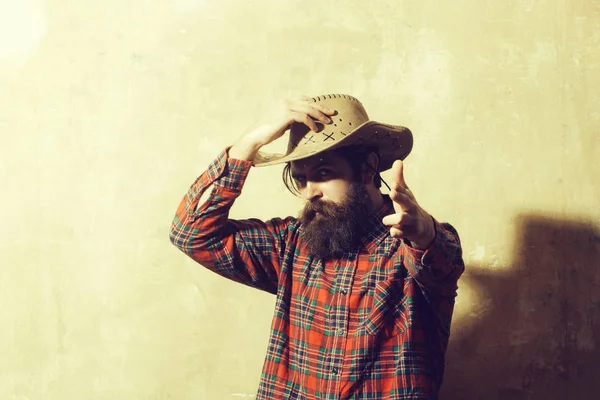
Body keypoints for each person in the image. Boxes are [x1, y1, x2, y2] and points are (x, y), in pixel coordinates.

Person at [169, 94, 465, 399]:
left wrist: (424, 231)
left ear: (367, 168)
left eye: (323, 174)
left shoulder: (412, 250)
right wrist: (249, 143)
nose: (309, 192)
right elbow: (190, 233)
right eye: (301, 179)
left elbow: (440, 259)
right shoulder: (291, 244)